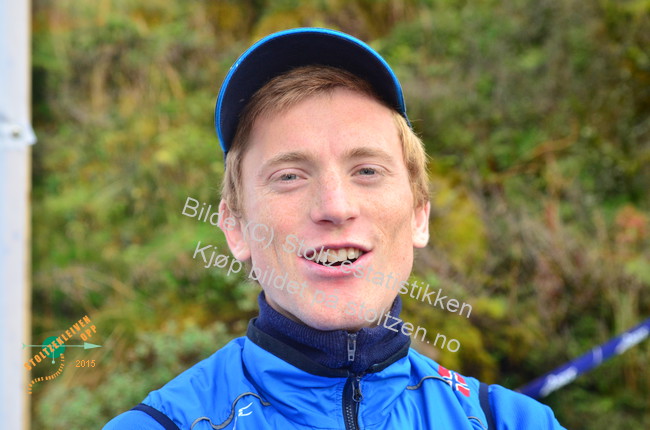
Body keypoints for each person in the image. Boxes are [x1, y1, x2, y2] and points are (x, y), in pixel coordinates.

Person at [104, 27, 565, 429]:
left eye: (367, 170)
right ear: (235, 227)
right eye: (290, 176)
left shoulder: (514, 422)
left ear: (419, 215)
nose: (335, 207)